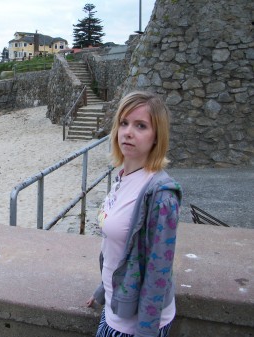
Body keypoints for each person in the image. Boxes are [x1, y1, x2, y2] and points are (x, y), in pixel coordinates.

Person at [92, 91, 182, 337]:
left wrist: (145, 332)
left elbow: (158, 271)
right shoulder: (122, 176)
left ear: (156, 138)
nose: (128, 132)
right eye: (124, 123)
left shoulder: (161, 196)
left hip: (134, 324)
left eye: (140, 126)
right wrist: (102, 291)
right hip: (115, 306)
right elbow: (119, 249)